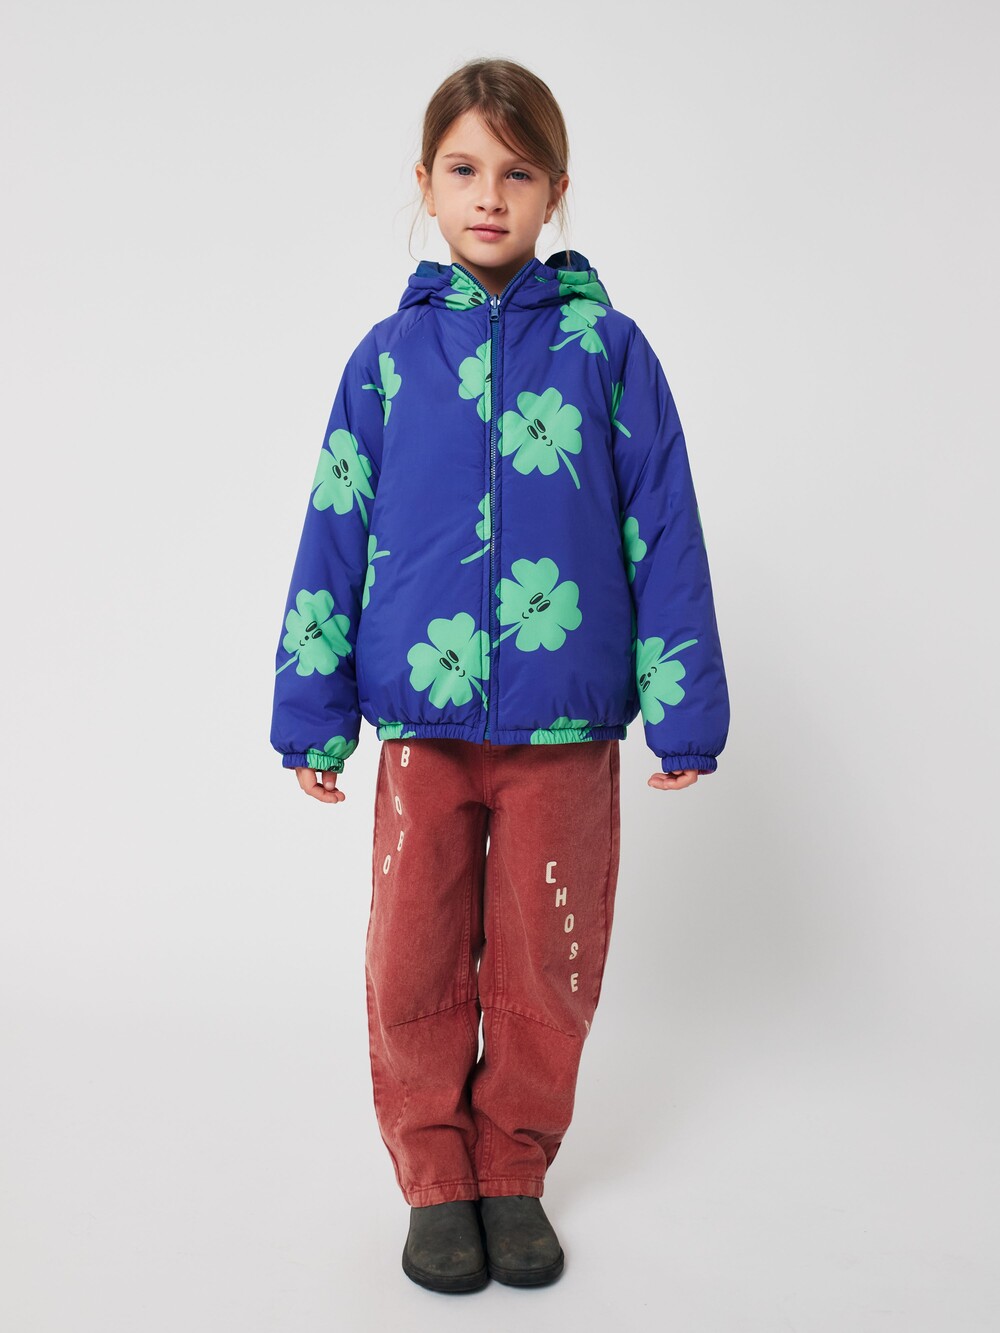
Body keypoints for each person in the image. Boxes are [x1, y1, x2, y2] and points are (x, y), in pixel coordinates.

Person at [270, 57, 730, 1294]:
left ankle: (511, 1166)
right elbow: (333, 530)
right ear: (425, 183)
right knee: (413, 953)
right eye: (465, 169)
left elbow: (664, 529)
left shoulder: (609, 352)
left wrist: (684, 709)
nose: (489, 196)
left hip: (563, 728)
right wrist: (312, 713)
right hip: (421, 727)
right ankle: (435, 1174)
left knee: (546, 957)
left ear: (555, 191)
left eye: (517, 173)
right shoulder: (385, 360)